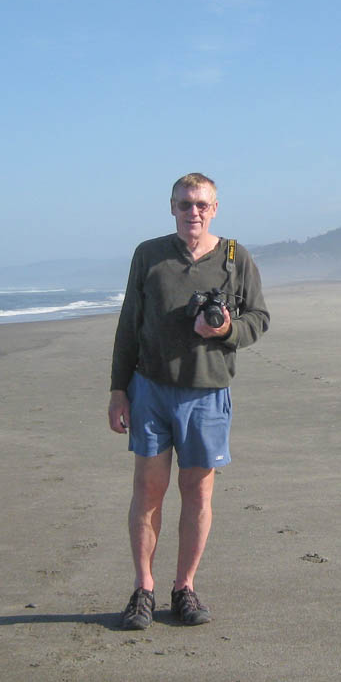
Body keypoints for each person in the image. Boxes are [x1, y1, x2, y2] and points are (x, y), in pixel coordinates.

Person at [108, 173, 269, 629]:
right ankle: (144, 589)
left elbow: (259, 318)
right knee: (147, 490)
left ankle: (185, 588)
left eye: (200, 204)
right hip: (151, 389)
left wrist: (224, 329)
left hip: (208, 392)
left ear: (214, 208)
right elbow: (128, 325)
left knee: (197, 493)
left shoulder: (236, 258)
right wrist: (118, 389)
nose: (192, 212)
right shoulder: (149, 254)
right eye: (183, 204)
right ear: (171, 208)